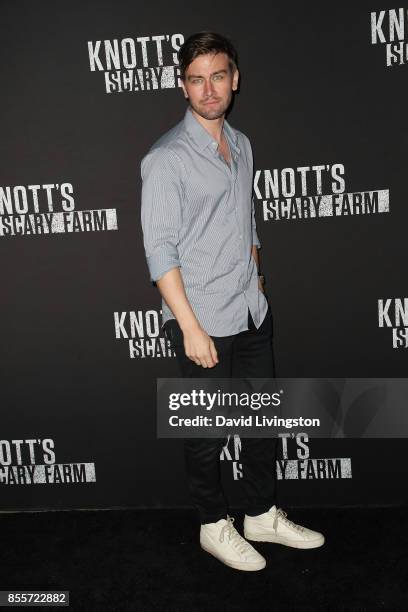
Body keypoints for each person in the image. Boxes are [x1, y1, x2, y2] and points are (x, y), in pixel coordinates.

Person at [140, 31, 324, 572]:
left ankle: (261, 513)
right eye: (196, 79)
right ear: (183, 86)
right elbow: (159, 248)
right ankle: (212, 524)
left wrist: (258, 283)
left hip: (249, 309)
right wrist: (190, 327)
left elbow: (245, 222)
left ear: (234, 79)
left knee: (263, 419)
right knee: (205, 430)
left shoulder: (242, 145)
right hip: (202, 320)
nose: (208, 89)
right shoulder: (166, 159)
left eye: (217, 76)